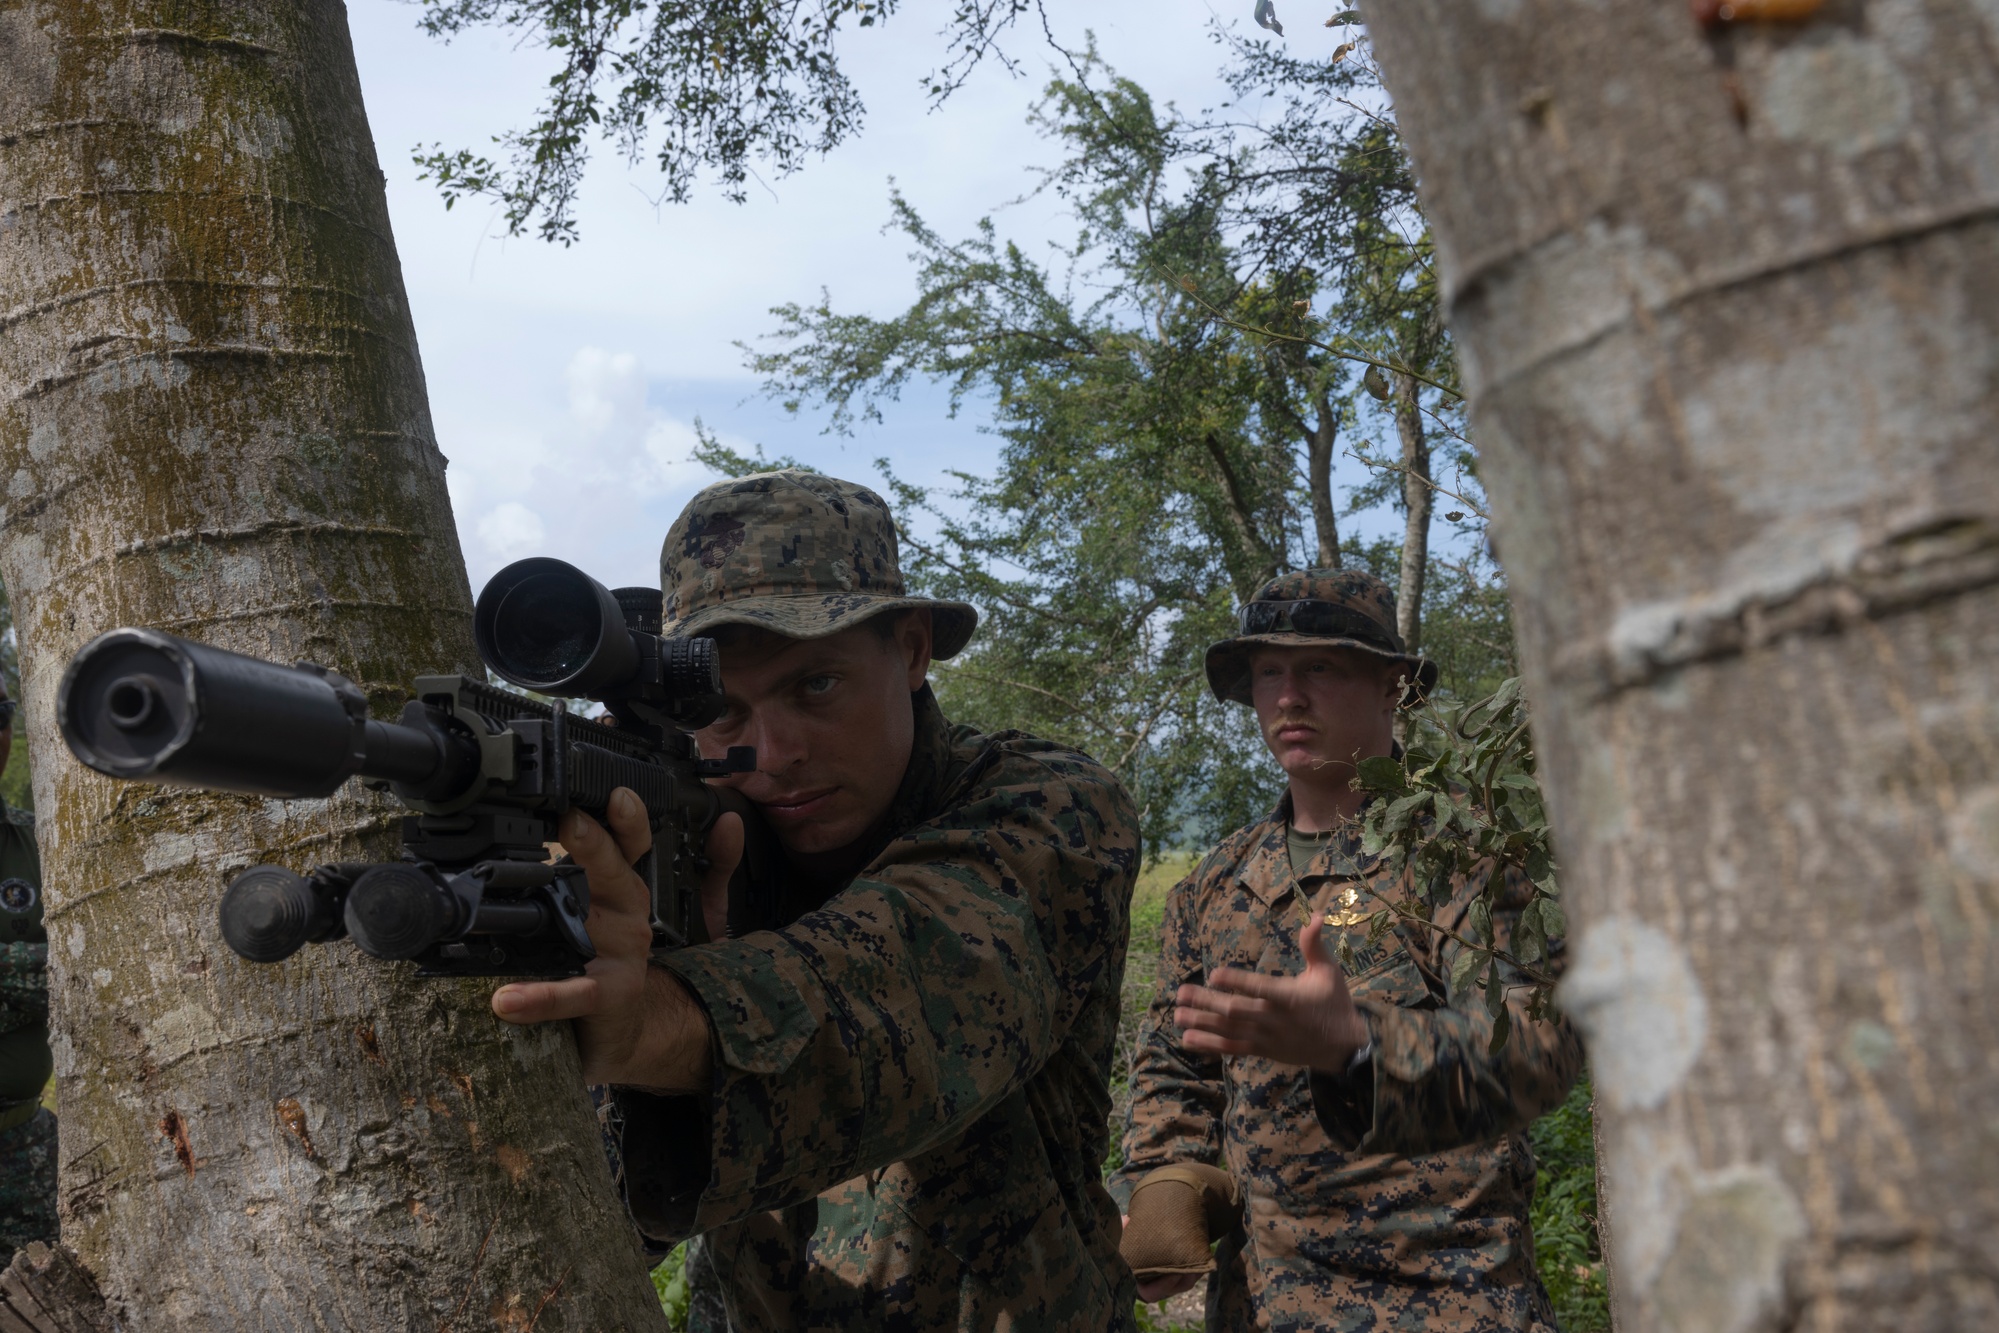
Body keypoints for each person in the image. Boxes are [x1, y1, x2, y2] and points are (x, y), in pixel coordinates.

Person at [490, 470, 1143, 1330]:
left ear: (910, 649)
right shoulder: (690, 841)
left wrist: (670, 1012)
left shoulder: (1052, 807)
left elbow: (919, 983)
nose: (772, 753)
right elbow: (618, 1213)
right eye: (721, 709)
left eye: (816, 686)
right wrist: (627, 935)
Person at [1113, 569, 1584, 1332]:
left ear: (1392, 686)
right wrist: (1164, 1178)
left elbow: (1537, 1050)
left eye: (1319, 668)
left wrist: (1361, 1043)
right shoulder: (1213, 885)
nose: (1288, 697)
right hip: (1261, 1304)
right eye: (1269, 672)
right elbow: (1176, 1061)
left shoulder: (1467, 859)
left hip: (1445, 1299)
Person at [0, 681, 54, 1259]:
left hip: (26, 1152)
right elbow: (60, 972)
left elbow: (91, 968)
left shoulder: (41, 842)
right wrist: (40, 974)